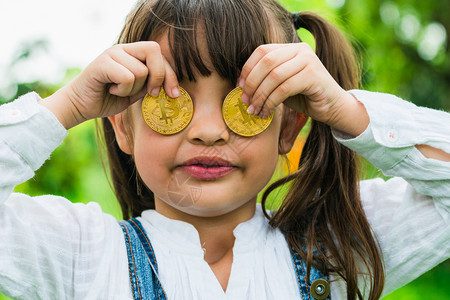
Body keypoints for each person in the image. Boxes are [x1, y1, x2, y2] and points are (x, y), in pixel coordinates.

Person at [1, 0, 449, 299]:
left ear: (289, 127)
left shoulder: (338, 245)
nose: (210, 131)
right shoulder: (82, 253)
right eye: (169, 98)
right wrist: (67, 105)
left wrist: (347, 110)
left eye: (246, 100)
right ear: (123, 127)